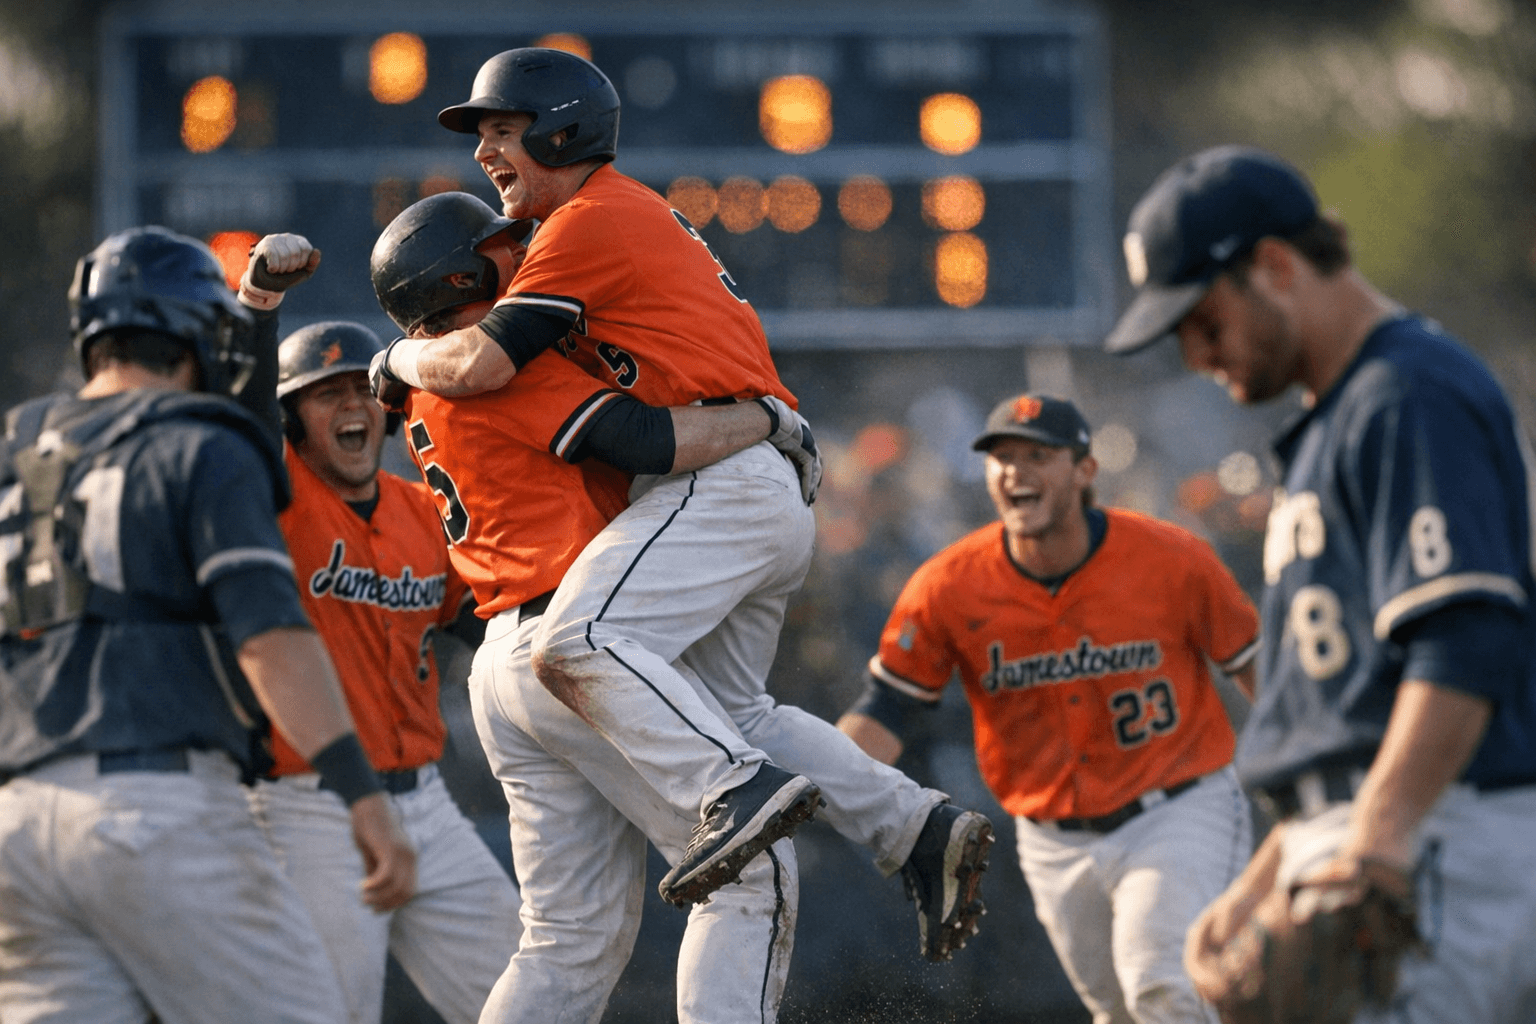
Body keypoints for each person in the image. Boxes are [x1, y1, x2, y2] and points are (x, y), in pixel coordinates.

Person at [369, 47, 993, 955]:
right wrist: (771, 419)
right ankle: (916, 828)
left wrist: (391, 357)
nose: (483, 151)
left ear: (563, 130)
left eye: (502, 129)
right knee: (739, 711)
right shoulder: (601, 219)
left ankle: (731, 787)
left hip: (720, 480)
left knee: (579, 641)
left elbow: (492, 365)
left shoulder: (583, 222)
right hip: (738, 478)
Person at [1105, 144, 1536, 1022]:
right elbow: (1342, 707)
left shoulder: (1409, 392)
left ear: (1275, 265)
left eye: (1204, 320)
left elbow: (1464, 640)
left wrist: (1376, 840)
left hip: (1432, 835)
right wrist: (1269, 874)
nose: (1196, 353)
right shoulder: (1339, 415)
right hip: (1374, 830)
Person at [372, 191, 803, 1024]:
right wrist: (765, 418)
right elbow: (648, 442)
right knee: (753, 865)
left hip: (507, 664)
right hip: (572, 651)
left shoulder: (429, 383)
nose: (521, 252)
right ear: (460, 275)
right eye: (500, 245)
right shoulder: (502, 366)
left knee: (566, 940)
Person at [0, 226, 415, 1024]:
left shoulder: (14, 449)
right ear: (195, 333)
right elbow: (269, 639)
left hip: (19, 825)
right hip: (156, 809)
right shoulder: (198, 441)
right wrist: (361, 796)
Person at [838, 393, 1260, 1023]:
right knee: (1117, 1011)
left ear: (1085, 470)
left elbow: (1259, 672)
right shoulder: (949, 584)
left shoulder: (1171, 556)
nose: (1016, 471)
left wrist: (1314, 784)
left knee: (1163, 987)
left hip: (1178, 810)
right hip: (1052, 838)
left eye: (1037, 456)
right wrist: (812, 784)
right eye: (1002, 457)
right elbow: (886, 711)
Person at [244, 248, 521, 1024]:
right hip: (309, 809)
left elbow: (484, 625)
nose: (350, 405)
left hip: (425, 802)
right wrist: (259, 305)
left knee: (531, 996)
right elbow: (242, 415)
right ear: (291, 420)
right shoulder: (275, 499)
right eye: (324, 393)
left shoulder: (419, 509)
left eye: (360, 390)